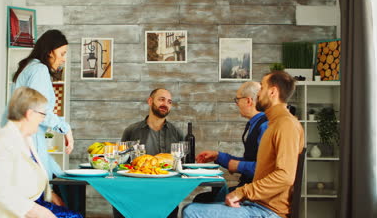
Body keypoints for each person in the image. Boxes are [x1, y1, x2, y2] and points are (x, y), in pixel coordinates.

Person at [183, 71, 304, 218]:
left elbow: (285, 176)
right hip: (255, 203)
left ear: (272, 92)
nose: (258, 94)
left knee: (191, 211)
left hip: (268, 211)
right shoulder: (274, 124)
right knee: (194, 206)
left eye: (262, 88)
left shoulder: (286, 125)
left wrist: (242, 192)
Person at [0, 87, 82, 218]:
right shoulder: (3, 143)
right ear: (30, 114)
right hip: (6, 212)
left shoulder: (26, 138)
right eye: (42, 114)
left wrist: (50, 194)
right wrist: (39, 212)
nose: (43, 119)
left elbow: (34, 175)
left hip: (31, 204)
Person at [3, 29, 74, 207]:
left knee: (64, 186)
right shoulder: (39, 69)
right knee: (70, 206)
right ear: (50, 51)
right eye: (62, 53)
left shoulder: (28, 68)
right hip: (29, 155)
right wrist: (65, 128)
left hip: (25, 152)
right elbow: (37, 110)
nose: (64, 58)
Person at [193, 81, 268, 203]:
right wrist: (218, 156)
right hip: (249, 189)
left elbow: (265, 168)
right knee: (203, 198)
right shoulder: (255, 124)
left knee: (201, 200)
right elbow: (251, 160)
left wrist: (238, 166)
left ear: (248, 101)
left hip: (255, 195)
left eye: (237, 99)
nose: (236, 104)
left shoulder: (264, 126)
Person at [116, 88, 183, 218]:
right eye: (161, 99)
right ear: (150, 101)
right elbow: (122, 162)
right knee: (119, 203)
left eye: (169, 102)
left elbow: (182, 166)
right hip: (136, 189)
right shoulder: (131, 131)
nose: (165, 104)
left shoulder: (177, 132)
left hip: (167, 190)